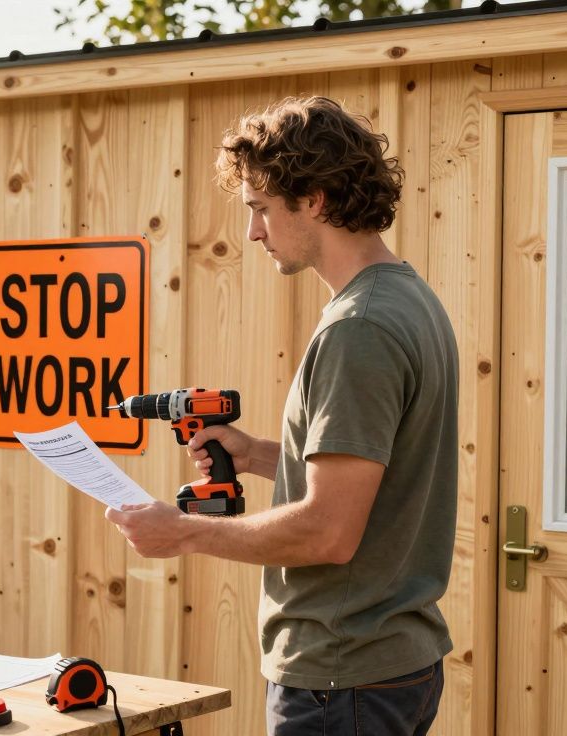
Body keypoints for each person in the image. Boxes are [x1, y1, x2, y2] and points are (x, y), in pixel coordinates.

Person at [104, 96, 458, 736]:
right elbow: (379, 479)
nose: (253, 233)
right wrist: (262, 455)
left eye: (261, 209)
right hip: (386, 666)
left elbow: (328, 533)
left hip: (341, 678)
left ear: (315, 198)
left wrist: (181, 531)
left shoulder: (361, 328)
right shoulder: (408, 300)